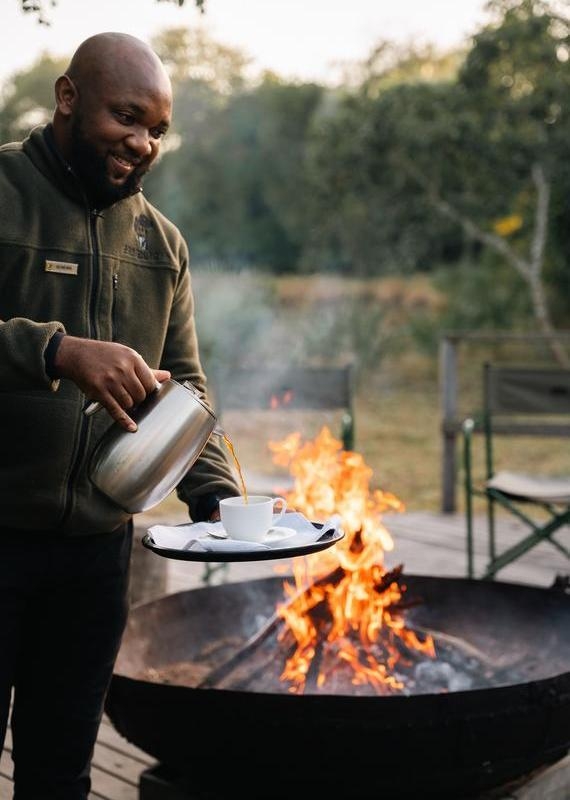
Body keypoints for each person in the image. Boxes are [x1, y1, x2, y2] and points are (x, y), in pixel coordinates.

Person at [0, 31, 240, 798]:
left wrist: (218, 495)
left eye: (158, 130)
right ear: (68, 98)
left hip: (98, 557)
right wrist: (56, 351)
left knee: (60, 771)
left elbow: (190, 386)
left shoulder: (161, 244)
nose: (141, 144)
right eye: (127, 118)